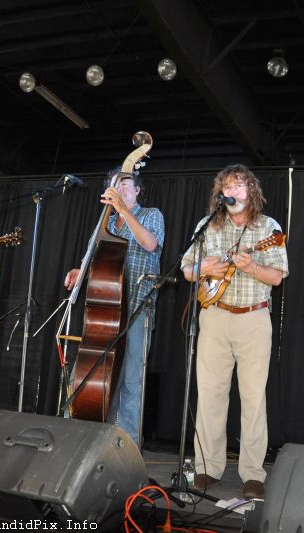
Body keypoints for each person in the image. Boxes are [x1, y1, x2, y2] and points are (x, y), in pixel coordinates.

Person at [180, 164, 288, 500]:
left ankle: (253, 473)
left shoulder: (269, 228)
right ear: (220, 193)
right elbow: (186, 270)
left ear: (251, 191)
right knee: (210, 394)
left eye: (239, 185)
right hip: (214, 316)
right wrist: (204, 266)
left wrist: (252, 266)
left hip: (253, 319)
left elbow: (277, 276)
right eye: (227, 186)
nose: (233, 191)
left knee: (253, 398)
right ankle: (207, 468)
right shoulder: (207, 225)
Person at [65, 170, 164, 446]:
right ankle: (79, 435)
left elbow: (150, 243)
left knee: (132, 379)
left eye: (126, 184)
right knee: (92, 372)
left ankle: (127, 446)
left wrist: (123, 210)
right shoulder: (105, 222)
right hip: (105, 310)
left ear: (138, 191)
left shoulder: (151, 215)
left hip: (137, 308)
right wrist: (80, 271)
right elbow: (94, 261)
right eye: (115, 185)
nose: (120, 189)